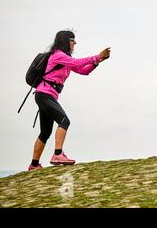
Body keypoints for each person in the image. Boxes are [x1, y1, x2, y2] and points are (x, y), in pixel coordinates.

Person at [28, 30, 111, 171]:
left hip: (47, 95)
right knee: (64, 121)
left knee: (45, 132)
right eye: (73, 40)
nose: (75, 43)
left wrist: (98, 61)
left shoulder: (65, 59)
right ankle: (58, 154)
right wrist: (97, 56)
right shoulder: (58, 55)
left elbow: (84, 71)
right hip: (44, 94)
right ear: (66, 41)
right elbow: (78, 63)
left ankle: (34, 165)